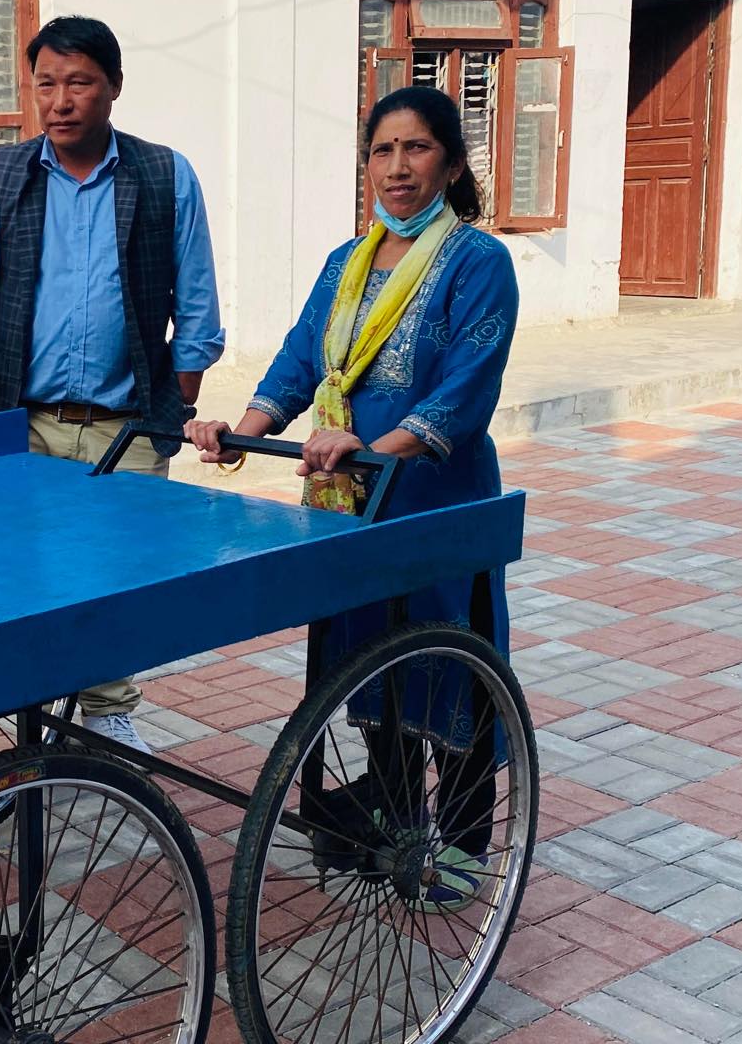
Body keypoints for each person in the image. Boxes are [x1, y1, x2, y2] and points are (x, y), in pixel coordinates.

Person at [185, 85, 518, 912]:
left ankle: (465, 842)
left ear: (452, 163)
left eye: (417, 148)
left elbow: (466, 389)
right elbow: (302, 360)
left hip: (438, 502)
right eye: (382, 150)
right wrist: (243, 430)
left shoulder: (478, 262)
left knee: (450, 664)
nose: (397, 167)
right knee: (369, 664)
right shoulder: (346, 263)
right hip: (348, 507)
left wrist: (375, 448)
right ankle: (394, 820)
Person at [0, 15, 225, 755]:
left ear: (114, 87)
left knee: (115, 575)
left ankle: (107, 714)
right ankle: (27, 718)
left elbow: (197, 303)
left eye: (79, 83)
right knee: (20, 571)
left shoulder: (164, 175)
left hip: (127, 423)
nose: (60, 101)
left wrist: (177, 404)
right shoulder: (1, 176)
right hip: (25, 418)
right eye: (46, 84)